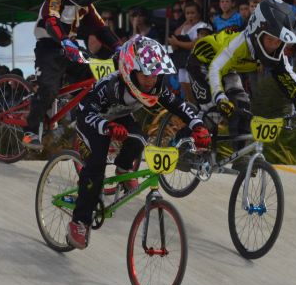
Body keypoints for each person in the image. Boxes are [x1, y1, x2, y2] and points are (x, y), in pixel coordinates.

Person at [66, 36, 210, 249]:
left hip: (118, 117)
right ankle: (79, 221)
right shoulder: (110, 86)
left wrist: (198, 126)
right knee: (96, 167)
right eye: (145, 75)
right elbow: (85, 113)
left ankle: (123, 168)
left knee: (139, 139)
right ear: (129, 70)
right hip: (92, 120)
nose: (151, 80)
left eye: (155, 74)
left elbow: (179, 105)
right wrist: (105, 126)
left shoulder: (155, 87)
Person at [22, 0, 122, 151]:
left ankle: (85, 117)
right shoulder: (55, 0)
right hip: (49, 48)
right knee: (48, 89)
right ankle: (30, 131)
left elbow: (101, 29)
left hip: (73, 48)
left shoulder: (87, 4)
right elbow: (51, 22)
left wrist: (119, 46)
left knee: (97, 79)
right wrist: (64, 41)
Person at [187, 0, 296, 152]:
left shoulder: (276, 53)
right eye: (270, 39)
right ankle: (184, 144)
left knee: (242, 106)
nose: (273, 46)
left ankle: (241, 156)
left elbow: (288, 77)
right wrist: (220, 97)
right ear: (257, 32)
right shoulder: (240, 43)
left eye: (278, 41)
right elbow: (216, 68)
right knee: (213, 111)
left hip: (227, 68)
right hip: (201, 62)